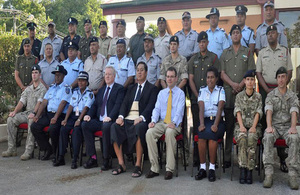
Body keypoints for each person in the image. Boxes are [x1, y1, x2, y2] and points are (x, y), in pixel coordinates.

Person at [110, 62, 158, 177]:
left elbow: (150, 107)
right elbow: (124, 104)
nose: (139, 72)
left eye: (142, 70)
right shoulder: (131, 88)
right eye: (138, 70)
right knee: (114, 127)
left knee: (140, 127)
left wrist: (141, 118)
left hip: (140, 118)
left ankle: (138, 165)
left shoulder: (152, 89)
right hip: (128, 118)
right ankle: (121, 164)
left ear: (146, 72)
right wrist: (121, 117)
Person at [256, 24, 293, 172]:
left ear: (277, 35)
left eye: (273, 32)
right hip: (266, 89)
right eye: (269, 33)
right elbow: (258, 73)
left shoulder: (284, 51)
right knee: (266, 122)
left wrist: (282, 86)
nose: (271, 35)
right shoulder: (262, 53)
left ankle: (282, 159)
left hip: (281, 89)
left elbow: (289, 70)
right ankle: (266, 160)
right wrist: (266, 89)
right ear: (266, 36)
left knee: (282, 121)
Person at [220, 25, 255, 168]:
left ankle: (246, 158)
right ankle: (227, 158)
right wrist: (233, 84)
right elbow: (222, 73)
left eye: (237, 33)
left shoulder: (247, 52)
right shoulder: (225, 53)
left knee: (245, 126)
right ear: (230, 36)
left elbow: (251, 71)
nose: (235, 35)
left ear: (241, 35)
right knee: (229, 126)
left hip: (244, 95)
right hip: (229, 94)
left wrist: (240, 85)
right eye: (233, 33)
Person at [145, 67, 185, 180]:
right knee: (149, 132)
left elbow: (179, 112)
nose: (170, 79)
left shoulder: (180, 94)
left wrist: (174, 123)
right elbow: (156, 109)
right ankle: (154, 168)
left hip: (174, 123)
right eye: (168, 76)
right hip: (162, 122)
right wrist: (153, 121)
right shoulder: (161, 93)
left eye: (172, 76)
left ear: (176, 78)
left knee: (169, 132)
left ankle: (169, 169)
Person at [262, 67, 299, 190]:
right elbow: (269, 112)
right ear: (276, 79)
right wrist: (269, 127)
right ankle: (268, 174)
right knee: (267, 137)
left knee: (294, 138)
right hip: (275, 127)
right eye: (279, 77)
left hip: (288, 127)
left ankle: (293, 176)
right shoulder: (271, 95)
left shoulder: (292, 95)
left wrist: (293, 127)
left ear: (287, 78)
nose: (281, 79)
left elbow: (294, 112)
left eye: (283, 77)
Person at [81, 66, 125, 169]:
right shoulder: (101, 90)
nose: (107, 76)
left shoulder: (119, 89)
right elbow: (95, 105)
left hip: (111, 120)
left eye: (109, 74)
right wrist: (88, 115)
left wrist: (110, 117)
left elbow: (118, 105)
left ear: (114, 76)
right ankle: (93, 157)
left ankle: (106, 158)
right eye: (106, 74)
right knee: (85, 125)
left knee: (106, 127)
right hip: (99, 119)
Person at [188, 31, 220, 166]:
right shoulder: (192, 59)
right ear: (198, 43)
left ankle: (213, 159)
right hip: (197, 100)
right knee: (198, 128)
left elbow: (217, 79)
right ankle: (198, 159)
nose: (202, 44)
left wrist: (209, 97)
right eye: (200, 42)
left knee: (212, 128)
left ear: (207, 43)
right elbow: (190, 79)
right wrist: (198, 96)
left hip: (212, 101)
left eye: (204, 42)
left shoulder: (213, 58)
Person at [2, 65, 47, 160]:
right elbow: (22, 102)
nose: (34, 75)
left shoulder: (43, 89)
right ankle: (11, 149)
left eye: (36, 73)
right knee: (11, 119)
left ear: (39, 75)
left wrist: (34, 113)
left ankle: (28, 151)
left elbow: (39, 103)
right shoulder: (28, 89)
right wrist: (14, 111)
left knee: (31, 121)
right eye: (32, 73)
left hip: (38, 114)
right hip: (26, 113)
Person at [54, 71, 94, 169]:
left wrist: (79, 120)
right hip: (73, 116)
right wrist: (65, 119)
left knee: (76, 131)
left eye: (83, 81)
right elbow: (71, 106)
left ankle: (75, 159)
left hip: (82, 116)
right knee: (63, 129)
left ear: (87, 82)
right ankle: (61, 157)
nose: (80, 82)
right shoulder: (75, 92)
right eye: (79, 80)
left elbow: (86, 108)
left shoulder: (90, 94)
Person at [31, 65, 72, 161]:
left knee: (53, 129)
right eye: (55, 75)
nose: (57, 77)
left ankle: (56, 152)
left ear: (63, 76)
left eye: (59, 75)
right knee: (34, 126)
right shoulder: (52, 88)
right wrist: (37, 115)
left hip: (59, 115)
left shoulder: (66, 88)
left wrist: (56, 117)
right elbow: (44, 102)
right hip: (49, 114)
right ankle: (47, 149)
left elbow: (62, 103)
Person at [195, 66, 225, 182]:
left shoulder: (220, 90)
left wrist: (216, 125)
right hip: (206, 120)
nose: (210, 80)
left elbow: (220, 107)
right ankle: (202, 168)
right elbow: (201, 107)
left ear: (216, 79)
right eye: (208, 77)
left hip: (217, 120)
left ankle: (212, 168)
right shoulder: (202, 90)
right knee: (201, 135)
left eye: (212, 77)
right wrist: (201, 124)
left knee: (212, 135)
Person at [234, 70, 262, 184]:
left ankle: (250, 170)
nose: (250, 82)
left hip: (255, 126)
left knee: (251, 137)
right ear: (244, 81)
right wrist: (241, 126)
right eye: (248, 80)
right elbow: (238, 111)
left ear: (254, 81)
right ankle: (242, 169)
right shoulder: (239, 96)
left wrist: (254, 127)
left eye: (252, 80)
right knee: (242, 137)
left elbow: (258, 113)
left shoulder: (258, 96)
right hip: (241, 126)